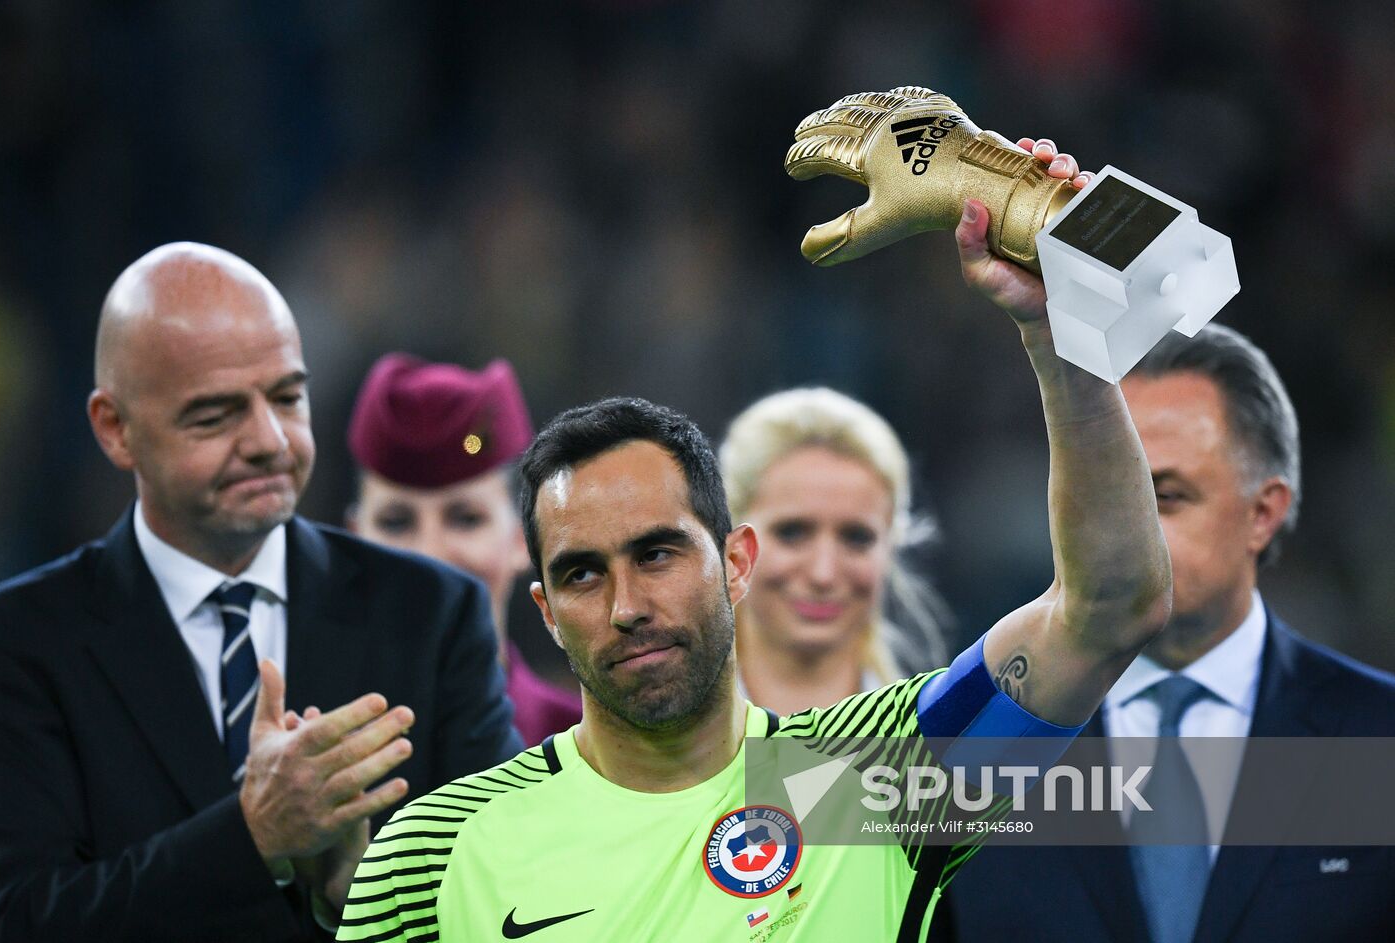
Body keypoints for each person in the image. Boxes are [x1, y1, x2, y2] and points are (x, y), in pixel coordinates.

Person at [336, 137, 1175, 942]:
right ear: (546, 612)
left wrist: (1055, 336)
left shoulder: (864, 781)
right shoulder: (432, 851)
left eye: (658, 553)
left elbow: (1108, 607)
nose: (628, 605)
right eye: (583, 575)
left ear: (737, 562)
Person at [0, 243, 522, 942]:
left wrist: (358, 900)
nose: (270, 440)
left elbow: (511, 899)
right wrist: (252, 837)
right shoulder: (22, 643)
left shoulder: (433, 616)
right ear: (115, 429)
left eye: (287, 397)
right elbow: (22, 920)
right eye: (214, 415)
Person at [939, 324, 1395, 942]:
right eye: (1106, 496)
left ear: (1263, 513)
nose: (1125, 532)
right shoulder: (973, 738)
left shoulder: (1379, 736)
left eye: (1166, 496)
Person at [346, 352, 582, 744]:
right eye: (396, 522)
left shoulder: (589, 753)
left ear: (524, 537)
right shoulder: (310, 761)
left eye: (465, 518)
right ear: (354, 539)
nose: (430, 555)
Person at [718, 387, 946, 714]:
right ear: (732, 545)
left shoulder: (942, 739)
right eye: (792, 532)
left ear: (890, 547)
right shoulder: (644, 743)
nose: (822, 574)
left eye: (856, 538)